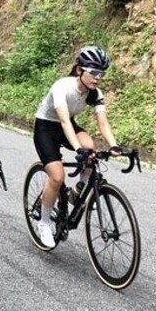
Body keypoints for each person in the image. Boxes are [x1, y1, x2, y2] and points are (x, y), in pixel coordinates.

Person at [32, 45, 121, 249]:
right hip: (46, 127)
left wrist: (114, 145)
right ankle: (44, 222)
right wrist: (77, 148)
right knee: (56, 176)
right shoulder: (62, 86)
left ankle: (79, 189)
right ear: (80, 70)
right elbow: (63, 121)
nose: (98, 78)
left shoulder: (95, 92)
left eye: (102, 73)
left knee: (90, 147)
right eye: (93, 72)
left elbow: (103, 123)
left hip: (68, 125)